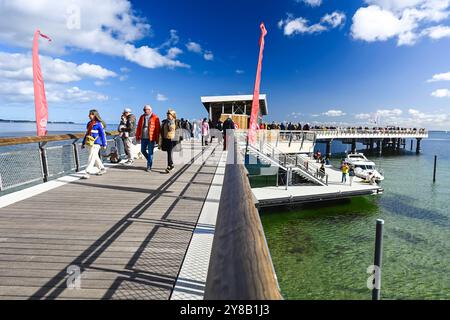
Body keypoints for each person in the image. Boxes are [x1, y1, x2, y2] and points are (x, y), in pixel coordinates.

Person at [81, 109, 107, 179]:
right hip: (89, 143)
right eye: (89, 114)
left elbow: (102, 135)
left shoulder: (99, 124)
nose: (89, 116)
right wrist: (83, 143)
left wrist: (104, 144)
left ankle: (87, 172)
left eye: (91, 114)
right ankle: (102, 168)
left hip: (96, 143)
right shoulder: (89, 123)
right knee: (94, 157)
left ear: (95, 115)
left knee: (91, 157)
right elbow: (87, 134)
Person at [135, 105, 161, 172]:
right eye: (144, 109)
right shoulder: (142, 117)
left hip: (151, 138)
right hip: (143, 137)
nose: (144, 111)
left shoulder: (155, 117)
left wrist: (158, 139)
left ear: (150, 110)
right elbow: (138, 127)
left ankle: (149, 166)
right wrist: (137, 136)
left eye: (145, 109)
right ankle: (150, 160)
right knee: (143, 150)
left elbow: (157, 129)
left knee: (150, 152)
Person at [160, 109, 177, 173]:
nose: (167, 115)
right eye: (167, 114)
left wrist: (170, 123)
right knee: (168, 152)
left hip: (171, 139)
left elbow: (171, 129)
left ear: (172, 115)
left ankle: (169, 166)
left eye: (169, 114)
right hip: (165, 138)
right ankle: (171, 165)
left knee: (169, 153)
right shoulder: (165, 121)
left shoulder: (173, 121)